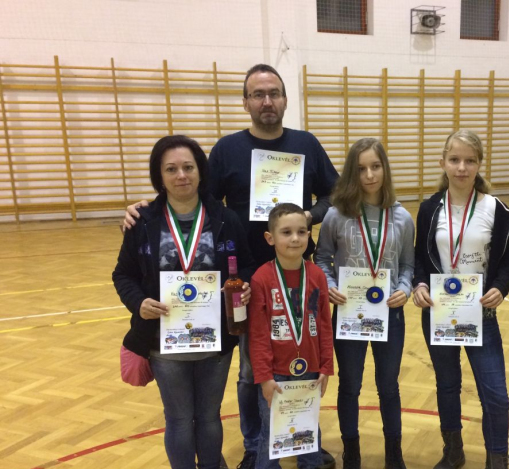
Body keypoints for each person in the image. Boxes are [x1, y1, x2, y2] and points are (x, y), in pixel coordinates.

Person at [122, 64, 339, 469]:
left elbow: (335, 192)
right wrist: (145, 208)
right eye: (258, 94)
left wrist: (307, 216)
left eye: (274, 93)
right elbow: (192, 198)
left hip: (295, 274)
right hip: (242, 282)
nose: (267, 101)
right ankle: (257, 444)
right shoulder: (227, 149)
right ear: (245, 102)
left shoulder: (306, 143)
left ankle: (301, 438)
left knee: (302, 363)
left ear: (285, 99)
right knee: (251, 373)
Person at [113, 135, 254, 469]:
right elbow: (123, 274)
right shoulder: (142, 221)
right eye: (171, 169)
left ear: (200, 171)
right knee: (178, 419)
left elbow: (247, 265)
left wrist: (246, 286)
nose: (181, 176)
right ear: (159, 176)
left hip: (215, 341)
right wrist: (139, 302)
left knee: (208, 417)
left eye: (188, 167)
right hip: (164, 340)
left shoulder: (225, 218)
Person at [412, 130, 509, 469]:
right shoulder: (429, 209)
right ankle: (453, 451)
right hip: (439, 313)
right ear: (442, 163)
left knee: (495, 394)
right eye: (455, 160)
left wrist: (501, 287)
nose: (462, 167)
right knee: (447, 386)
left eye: (470, 160)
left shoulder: (496, 209)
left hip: (480, 314)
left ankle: (497, 459)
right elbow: (419, 257)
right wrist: (419, 284)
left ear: (479, 164)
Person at [314, 138, 415, 469]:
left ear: (385, 169)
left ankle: (394, 454)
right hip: (348, 314)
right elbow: (322, 259)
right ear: (350, 173)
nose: (369, 175)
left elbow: (408, 266)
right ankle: (352, 452)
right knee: (350, 386)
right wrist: (329, 285)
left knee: (389, 387)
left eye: (375, 166)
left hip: (390, 315)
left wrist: (404, 289)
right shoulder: (336, 215)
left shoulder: (402, 217)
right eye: (360, 169)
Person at [248, 203, 334, 469]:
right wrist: (264, 376)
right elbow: (258, 334)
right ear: (270, 238)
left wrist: (326, 367)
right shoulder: (262, 278)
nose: (295, 238)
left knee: (308, 429)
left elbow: (324, 325)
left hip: (310, 370)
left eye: (302, 231)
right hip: (275, 374)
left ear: (309, 234)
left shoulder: (316, 275)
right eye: (286, 232)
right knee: (272, 432)